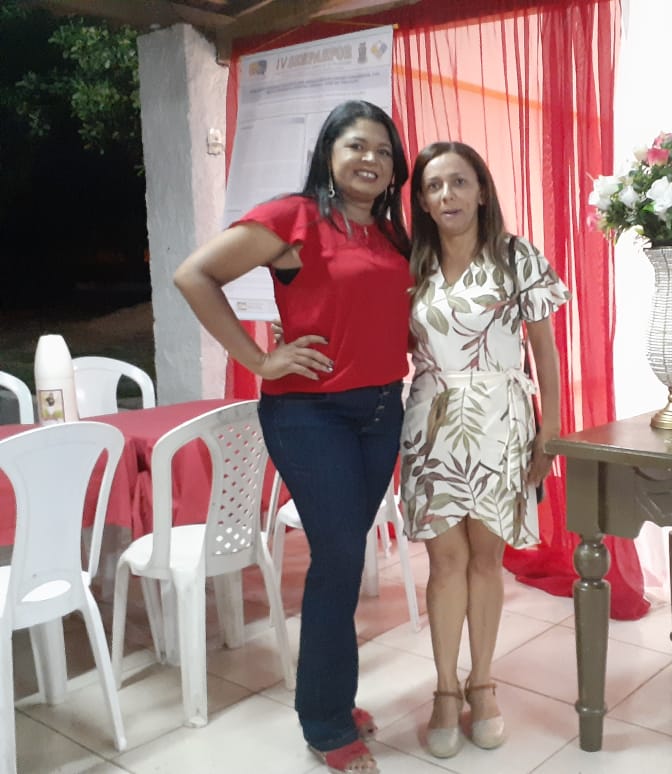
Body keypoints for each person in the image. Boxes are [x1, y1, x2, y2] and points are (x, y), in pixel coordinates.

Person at [173, 100, 411, 774]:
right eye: (357, 145)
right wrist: (258, 358)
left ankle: (329, 696)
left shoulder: (391, 235)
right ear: (329, 153)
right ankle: (327, 722)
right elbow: (194, 275)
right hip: (310, 414)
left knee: (344, 559)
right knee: (338, 556)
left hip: (381, 412)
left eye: (384, 151)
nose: (371, 159)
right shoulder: (293, 218)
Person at [399, 141, 569, 758]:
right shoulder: (410, 265)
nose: (447, 195)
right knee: (445, 562)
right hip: (432, 422)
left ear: (481, 191)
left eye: (459, 182)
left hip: (502, 418)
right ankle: (447, 690)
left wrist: (551, 432)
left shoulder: (516, 256)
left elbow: (545, 350)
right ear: (422, 201)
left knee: (485, 561)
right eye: (434, 186)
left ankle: (483, 683)